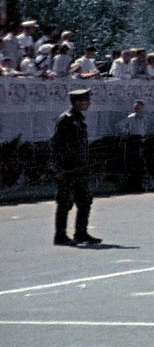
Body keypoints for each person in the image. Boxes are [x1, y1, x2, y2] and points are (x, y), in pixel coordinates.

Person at [51, 87, 99, 245]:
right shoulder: (66, 119)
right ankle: (60, 236)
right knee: (64, 202)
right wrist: (58, 168)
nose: (88, 103)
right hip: (67, 167)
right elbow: (57, 144)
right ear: (77, 102)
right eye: (85, 100)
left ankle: (81, 233)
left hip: (80, 168)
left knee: (85, 201)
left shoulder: (79, 119)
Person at [117, 99, 151, 192]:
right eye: (136, 108)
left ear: (142, 108)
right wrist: (128, 132)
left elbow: (146, 128)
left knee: (141, 163)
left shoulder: (145, 118)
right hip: (133, 140)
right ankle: (133, 185)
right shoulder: (130, 117)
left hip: (142, 140)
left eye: (139, 108)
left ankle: (140, 184)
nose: (137, 109)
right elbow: (119, 125)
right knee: (133, 162)